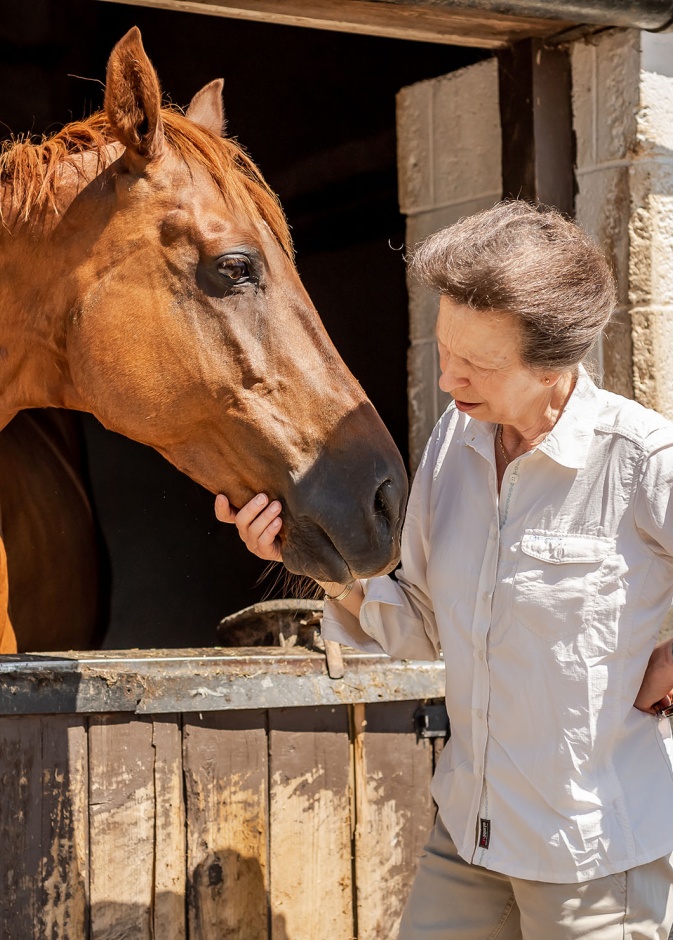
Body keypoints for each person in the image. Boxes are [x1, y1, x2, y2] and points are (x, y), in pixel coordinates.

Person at [215, 200, 673, 939]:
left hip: (590, 859)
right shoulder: (454, 445)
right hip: (468, 831)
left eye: (480, 363)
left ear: (555, 364)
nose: (450, 377)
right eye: (444, 349)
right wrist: (311, 560)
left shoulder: (641, 460)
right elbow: (422, 630)